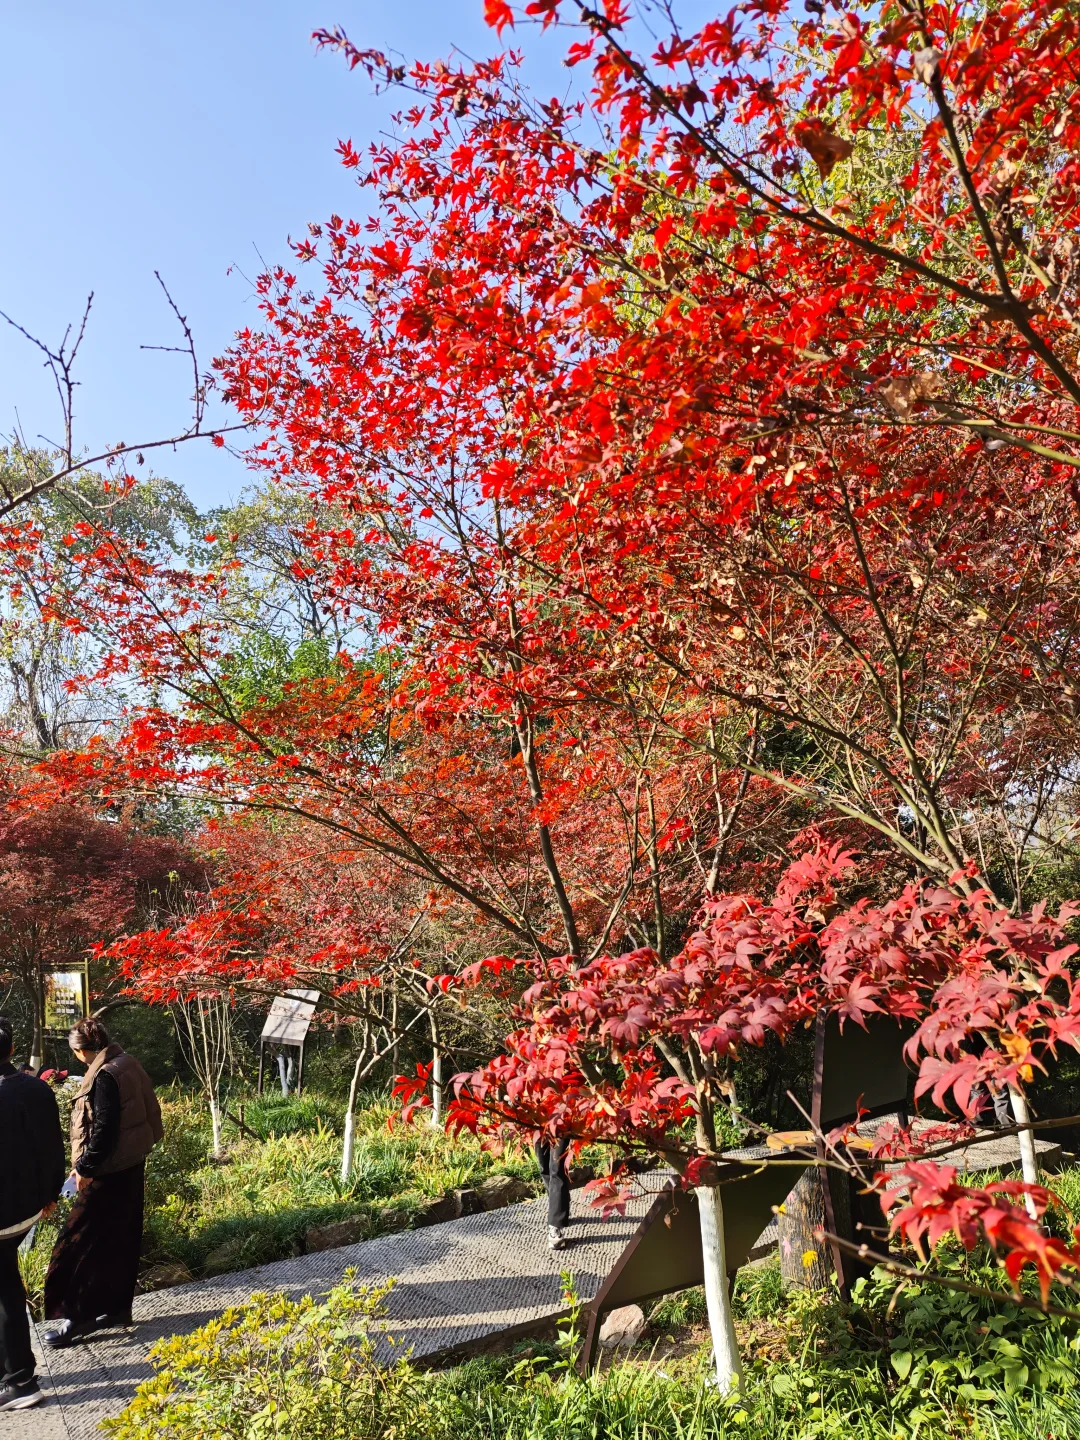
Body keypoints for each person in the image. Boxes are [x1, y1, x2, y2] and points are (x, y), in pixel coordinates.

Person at [43, 1017, 163, 1350]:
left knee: (78, 1242)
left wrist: (85, 1167)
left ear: (81, 1050)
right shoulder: (125, 1062)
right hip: (130, 1165)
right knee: (120, 1238)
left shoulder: (106, 1075)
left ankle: (78, 1317)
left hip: (108, 1171)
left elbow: (105, 1131)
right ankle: (117, 1309)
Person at [0, 1016, 66, 1410]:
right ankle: (14, 1372)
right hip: (27, 1209)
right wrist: (50, 1194)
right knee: (6, 1282)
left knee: (4, 1289)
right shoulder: (36, 1089)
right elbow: (52, 1149)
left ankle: (20, 1380)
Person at [536, 1137, 571, 1250]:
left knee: (557, 1168)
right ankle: (560, 1204)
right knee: (544, 1165)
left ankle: (556, 1224)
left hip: (562, 1125)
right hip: (538, 1121)